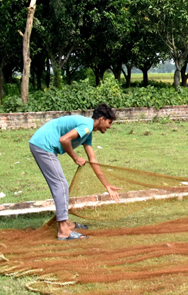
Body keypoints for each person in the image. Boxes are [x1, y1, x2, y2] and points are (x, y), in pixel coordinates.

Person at [28, 103, 120, 240]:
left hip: (43, 145)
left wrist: (106, 185)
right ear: (101, 119)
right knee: (61, 185)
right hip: (43, 145)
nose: (109, 126)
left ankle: (67, 223)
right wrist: (75, 157)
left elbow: (93, 160)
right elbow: (64, 140)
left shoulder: (88, 132)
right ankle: (63, 231)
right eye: (109, 122)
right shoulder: (87, 126)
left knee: (61, 185)